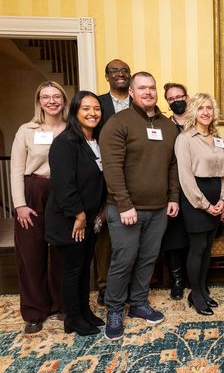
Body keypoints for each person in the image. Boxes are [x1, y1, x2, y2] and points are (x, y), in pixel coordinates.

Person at [100, 71, 180, 340]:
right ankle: (113, 309)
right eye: (142, 88)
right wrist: (124, 204)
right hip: (125, 209)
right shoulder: (118, 123)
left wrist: (173, 198)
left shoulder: (168, 126)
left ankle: (138, 304)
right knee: (124, 260)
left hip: (158, 209)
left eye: (152, 88)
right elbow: (111, 167)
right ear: (132, 92)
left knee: (147, 259)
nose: (148, 92)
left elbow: (172, 165)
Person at [45, 91, 107, 335]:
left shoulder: (95, 140)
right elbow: (64, 184)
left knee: (84, 267)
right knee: (72, 270)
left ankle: (84, 311)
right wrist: (79, 216)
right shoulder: (65, 141)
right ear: (75, 112)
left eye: (97, 109)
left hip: (90, 218)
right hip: (70, 220)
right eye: (86, 109)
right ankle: (72, 318)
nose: (93, 113)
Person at [10, 81, 68, 334]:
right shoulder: (26, 130)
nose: (52, 101)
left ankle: (61, 304)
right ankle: (34, 311)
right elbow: (15, 169)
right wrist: (20, 205)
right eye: (46, 97)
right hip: (33, 191)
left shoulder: (71, 129)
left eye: (57, 96)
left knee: (61, 253)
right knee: (31, 254)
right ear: (39, 101)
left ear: (64, 101)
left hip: (62, 193)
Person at [175, 93, 224, 314]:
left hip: (217, 199)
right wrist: (206, 205)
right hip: (196, 200)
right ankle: (195, 294)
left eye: (209, 108)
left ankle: (202, 289)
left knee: (207, 249)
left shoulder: (218, 138)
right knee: (197, 249)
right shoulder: (185, 138)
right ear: (193, 112)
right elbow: (185, 178)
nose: (206, 112)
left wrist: (223, 199)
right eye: (201, 108)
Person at [94, 59, 132, 306]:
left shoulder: (139, 103)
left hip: (136, 176)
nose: (120, 74)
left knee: (132, 232)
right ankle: (104, 285)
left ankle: (130, 284)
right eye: (114, 71)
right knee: (105, 232)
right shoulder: (98, 105)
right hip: (104, 176)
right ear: (106, 76)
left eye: (125, 70)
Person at [162, 82, 190, 300]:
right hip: (172, 189)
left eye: (179, 97)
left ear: (187, 97)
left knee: (194, 235)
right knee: (174, 238)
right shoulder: (163, 125)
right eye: (171, 99)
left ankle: (194, 278)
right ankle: (177, 281)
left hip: (196, 189)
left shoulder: (199, 121)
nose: (176, 101)